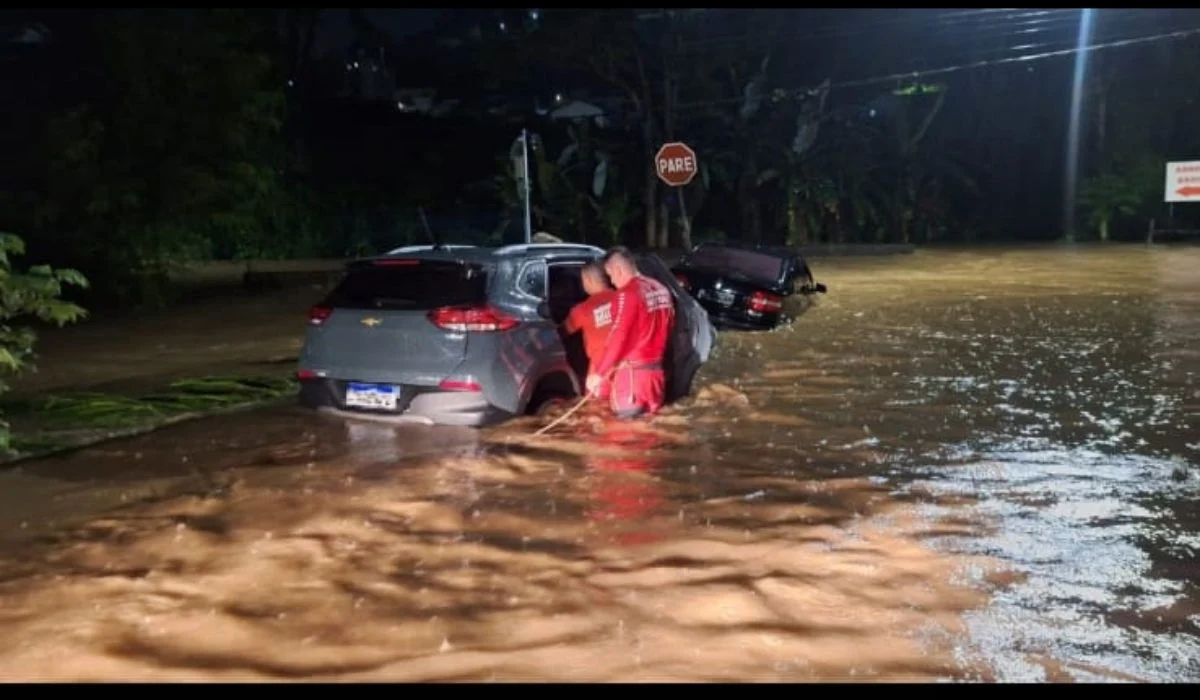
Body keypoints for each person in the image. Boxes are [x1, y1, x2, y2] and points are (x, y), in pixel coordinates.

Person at [586, 247, 676, 419]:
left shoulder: (628, 294)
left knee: (623, 438)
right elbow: (670, 326)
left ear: (618, 270)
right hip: (655, 379)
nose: (612, 281)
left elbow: (618, 337)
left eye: (610, 275)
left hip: (632, 381)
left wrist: (599, 373)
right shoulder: (662, 289)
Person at [561, 261, 618, 399]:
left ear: (589, 280)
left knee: (597, 411)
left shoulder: (583, 309)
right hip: (627, 369)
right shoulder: (624, 298)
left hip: (599, 370)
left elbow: (561, 333)